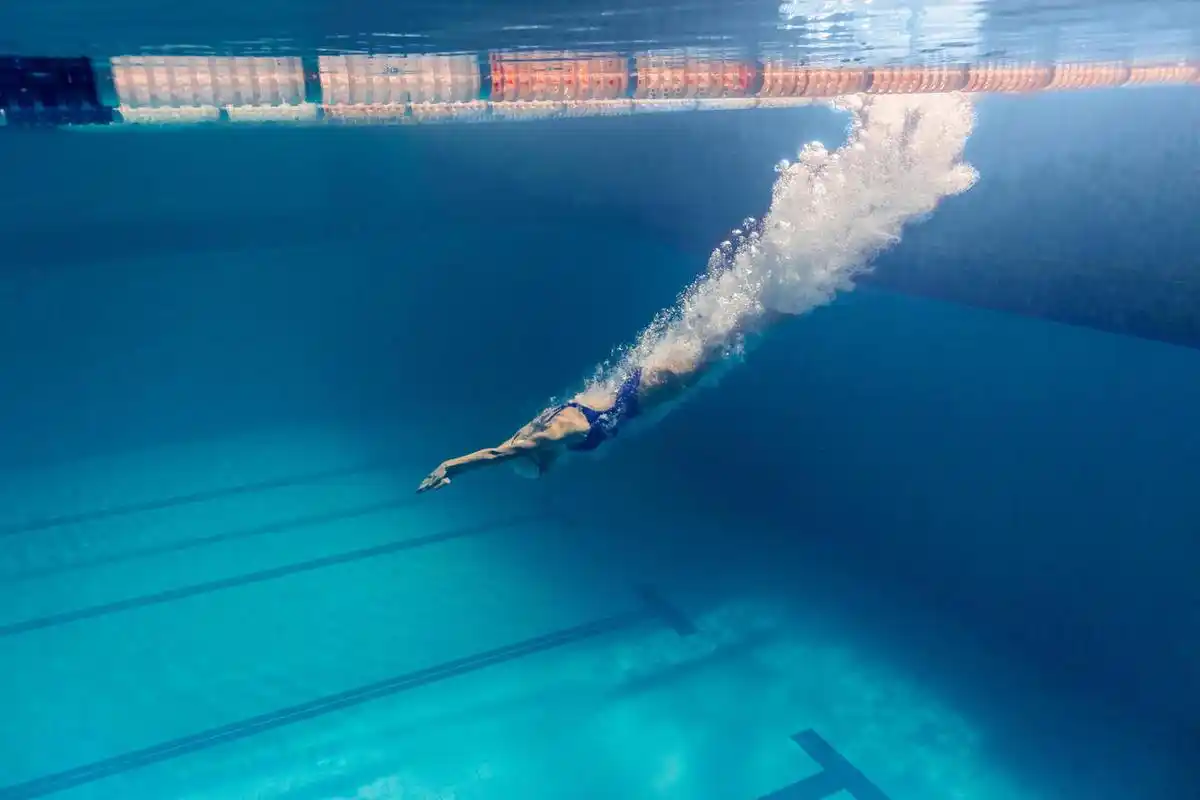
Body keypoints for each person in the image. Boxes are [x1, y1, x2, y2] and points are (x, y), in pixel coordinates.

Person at [416, 347, 709, 493]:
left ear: (540, 458)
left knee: (708, 359)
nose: (550, 471)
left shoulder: (552, 437)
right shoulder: (529, 436)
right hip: (636, 392)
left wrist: (449, 465)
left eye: (545, 471)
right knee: (704, 354)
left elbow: (496, 455)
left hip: (643, 392)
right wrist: (454, 472)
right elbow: (500, 452)